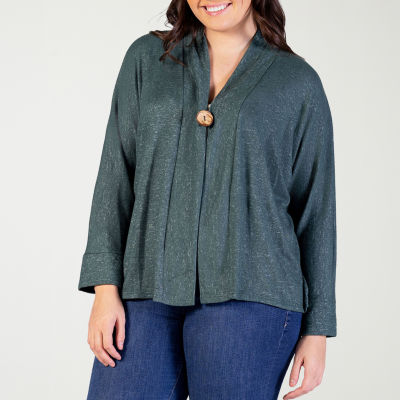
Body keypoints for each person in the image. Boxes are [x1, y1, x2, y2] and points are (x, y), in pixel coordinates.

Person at [78, 1, 337, 399]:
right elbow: (116, 175)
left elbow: (316, 210)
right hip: (146, 284)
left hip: (254, 294)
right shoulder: (148, 59)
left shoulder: (298, 83)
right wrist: (105, 289)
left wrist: (316, 329)